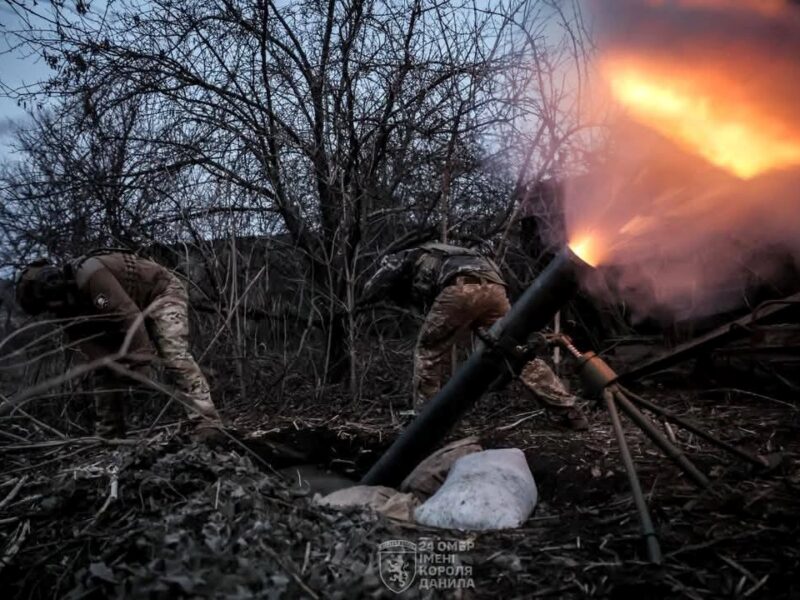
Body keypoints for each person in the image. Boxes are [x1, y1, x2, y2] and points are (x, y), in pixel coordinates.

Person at [363, 242, 589, 430]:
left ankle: (424, 421)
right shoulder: (451, 254)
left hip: (460, 288)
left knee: (428, 351)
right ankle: (568, 409)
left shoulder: (408, 256)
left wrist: (365, 299)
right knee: (515, 351)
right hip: (495, 289)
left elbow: (377, 282)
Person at [15, 250, 223, 440]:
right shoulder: (64, 309)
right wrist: (111, 364)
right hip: (121, 311)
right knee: (103, 370)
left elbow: (128, 315)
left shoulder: (91, 277)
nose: (53, 308)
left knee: (173, 353)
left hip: (160, 293)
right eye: (47, 307)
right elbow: (89, 347)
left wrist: (140, 365)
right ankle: (110, 434)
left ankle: (207, 422)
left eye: (51, 302)